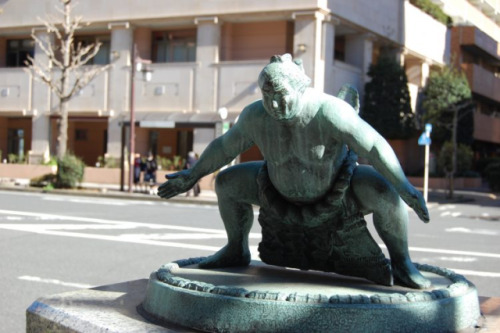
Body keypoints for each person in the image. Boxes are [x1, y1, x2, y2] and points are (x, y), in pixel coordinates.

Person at [158, 54, 431, 289]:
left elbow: (373, 145)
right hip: (275, 190)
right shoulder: (256, 116)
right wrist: (191, 176)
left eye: (282, 97)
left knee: (384, 191)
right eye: (268, 97)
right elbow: (225, 146)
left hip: (339, 189)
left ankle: (401, 262)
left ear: (300, 88)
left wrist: (404, 186)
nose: (275, 106)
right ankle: (235, 247)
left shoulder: (329, 111)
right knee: (228, 183)